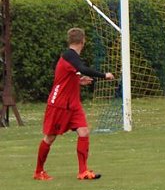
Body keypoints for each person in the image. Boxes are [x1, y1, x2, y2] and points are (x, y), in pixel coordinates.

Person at [34, 28, 115, 181]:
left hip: (73, 105)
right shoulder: (69, 55)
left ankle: (83, 171)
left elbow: (68, 76)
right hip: (59, 104)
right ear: (82, 41)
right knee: (50, 138)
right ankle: (39, 172)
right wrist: (104, 75)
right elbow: (83, 69)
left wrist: (79, 81)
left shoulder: (71, 58)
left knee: (84, 132)